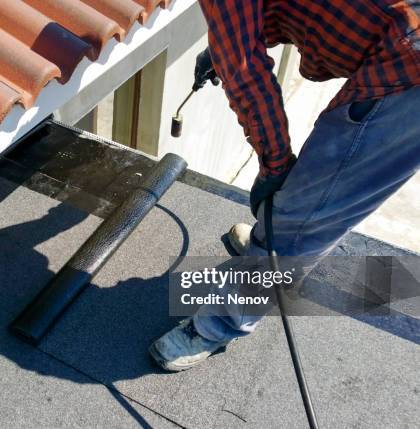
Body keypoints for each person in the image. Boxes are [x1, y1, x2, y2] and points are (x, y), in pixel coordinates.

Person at [149, 0, 420, 372]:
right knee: (297, 209)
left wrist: (275, 166)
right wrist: (226, 44)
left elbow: (247, 77)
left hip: (409, 75)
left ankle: (219, 324)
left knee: (303, 217)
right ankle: (265, 250)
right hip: (402, 42)